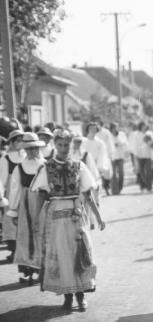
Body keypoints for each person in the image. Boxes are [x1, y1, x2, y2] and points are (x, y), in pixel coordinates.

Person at [31, 129, 105, 311]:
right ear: (55, 145)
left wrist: (98, 216)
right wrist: (34, 219)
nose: (63, 148)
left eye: (67, 145)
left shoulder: (79, 166)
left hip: (76, 214)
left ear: (72, 145)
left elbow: (87, 195)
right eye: (60, 144)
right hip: (56, 216)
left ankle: (80, 296)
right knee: (62, 255)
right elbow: (41, 195)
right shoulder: (47, 168)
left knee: (79, 253)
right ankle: (67, 296)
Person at [8, 133, 46, 285]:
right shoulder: (20, 167)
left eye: (34, 148)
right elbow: (15, 188)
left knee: (42, 234)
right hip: (25, 204)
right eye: (28, 149)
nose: (31, 151)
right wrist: (13, 209)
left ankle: (41, 270)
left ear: (38, 148)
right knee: (24, 235)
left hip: (42, 203)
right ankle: (26, 271)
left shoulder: (45, 165)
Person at [0, 129, 25, 262]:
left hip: (25, 190)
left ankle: (24, 249)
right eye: (18, 140)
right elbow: (2, 179)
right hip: (11, 192)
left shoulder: (26, 155)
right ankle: (13, 249)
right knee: (11, 219)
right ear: (12, 142)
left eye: (22, 140)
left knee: (24, 219)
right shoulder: (6, 158)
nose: (20, 143)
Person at [82, 122, 110, 196]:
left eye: (94, 128)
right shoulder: (83, 141)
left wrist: (100, 167)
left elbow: (102, 155)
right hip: (85, 166)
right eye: (91, 128)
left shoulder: (100, 143)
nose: (93, 130)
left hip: (95, 166)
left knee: (96, 185)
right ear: (87, 129)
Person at [134, 121, 153, 193]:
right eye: (143, 126)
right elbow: (134, 144)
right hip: (140, 155)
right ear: (140, 126)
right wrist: (135, 153)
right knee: (141, 172)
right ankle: (142, 187)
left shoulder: (149, 134)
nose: (144, 127)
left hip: (148, 155)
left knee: (148, 172)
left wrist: (151, 143)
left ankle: (149, 187)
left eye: (145, 126)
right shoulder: (136, 134)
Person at [109, 123, 128, 194]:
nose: (115, 129)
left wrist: (118, 142)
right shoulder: (109, 135)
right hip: (112, 156)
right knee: (113, 174)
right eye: (113, 128)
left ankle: (120, 187)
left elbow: (125, 142)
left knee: (121, 173)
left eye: (116, 128)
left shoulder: (121, 134)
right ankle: (115, 190)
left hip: (120, 156)